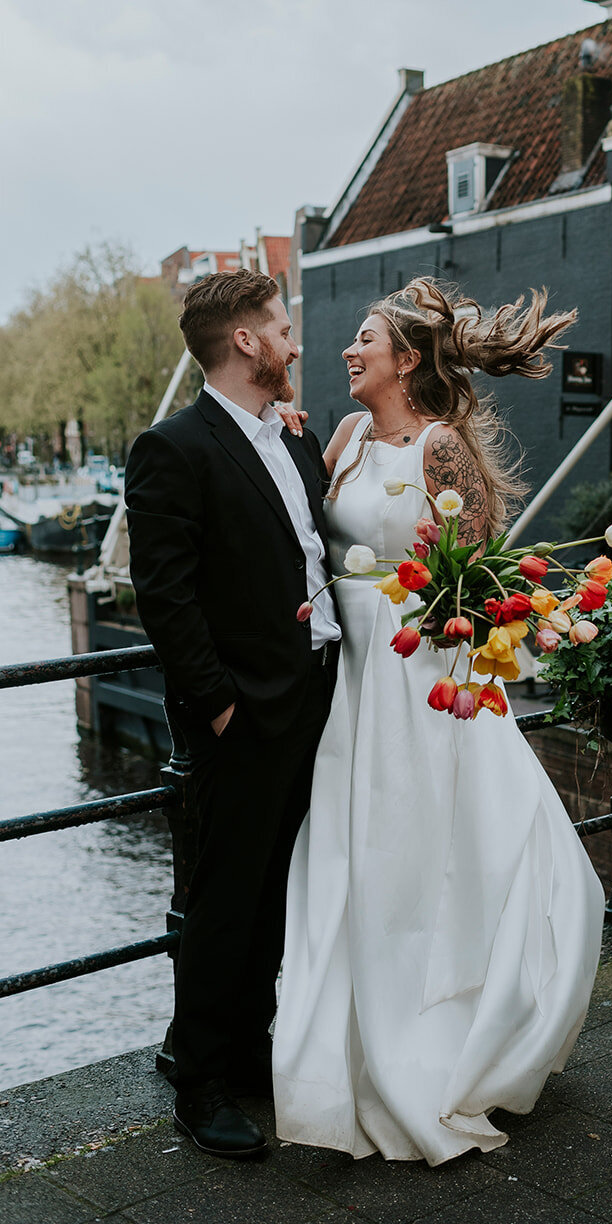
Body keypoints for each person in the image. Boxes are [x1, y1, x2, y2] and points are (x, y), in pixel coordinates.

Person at [272, 278, 606, 1165]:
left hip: (416, 671)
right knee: (349, 845)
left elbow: (477, 566)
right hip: (346, 673)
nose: (348, 351)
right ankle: (339, 1036)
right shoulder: (339, 438)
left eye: (366, 340)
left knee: (422, 846)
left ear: (407, 360)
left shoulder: (440, 447)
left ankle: (444, 1028)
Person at [125, 271, 341, 1161]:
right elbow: (165, 596)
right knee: (223, 899)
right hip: (243, 714)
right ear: (246, 342)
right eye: (283, 329)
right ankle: (200, 1081)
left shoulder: (295, 439)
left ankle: (251, 1049)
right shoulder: (172, 447)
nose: (295, 344)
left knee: (277, 893)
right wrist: (216, 707)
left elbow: (312, 551)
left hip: (321, 695)